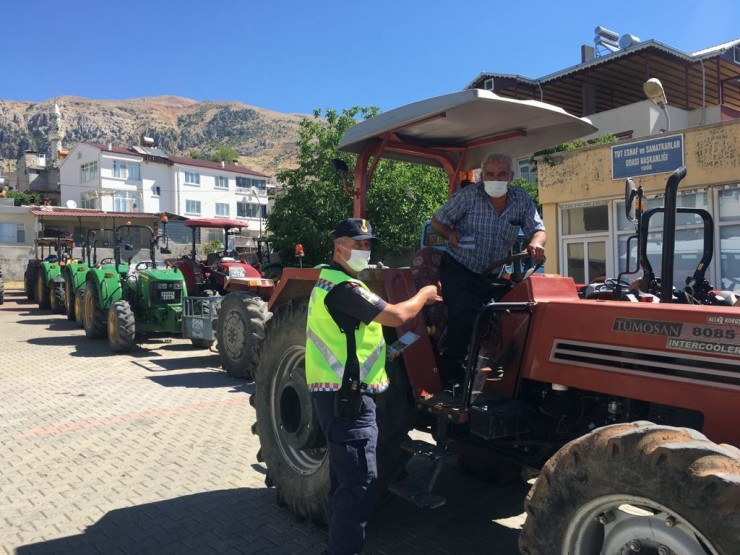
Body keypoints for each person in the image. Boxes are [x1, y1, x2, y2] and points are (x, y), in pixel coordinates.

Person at [306, 217, 438, 555]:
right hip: (348, 401)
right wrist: (424, 294)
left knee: (345, 484)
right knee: (359, 488)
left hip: (338, 395)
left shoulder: (332, 282)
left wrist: (390, 352)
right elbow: (396, 316)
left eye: (368, 244)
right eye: (358, 244)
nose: (365, 250)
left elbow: (352, 341)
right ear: (339, 248)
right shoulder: (343, 289)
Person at [430, 152, 546, 380]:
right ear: (482, 176)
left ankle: (511, 364)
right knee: (464, 312)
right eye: (490, 174)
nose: (495, 179)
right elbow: (438, 220)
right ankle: (455, 373)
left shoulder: (522, 200)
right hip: (460, 268)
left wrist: (535, 243)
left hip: (492, 273)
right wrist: (449, 233)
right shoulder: (468, 197)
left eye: (501, 174)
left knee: (520, 309)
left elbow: (538, 230)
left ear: (511, 176)